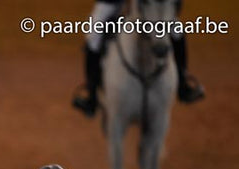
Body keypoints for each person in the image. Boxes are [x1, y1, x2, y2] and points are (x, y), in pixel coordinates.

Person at [72, 0, 205, 117]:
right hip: (113, 3)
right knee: (93, 36)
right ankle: (92, 94)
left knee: (176, 30)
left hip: (147, 5)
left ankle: (183, 84)